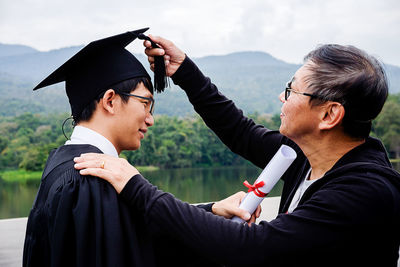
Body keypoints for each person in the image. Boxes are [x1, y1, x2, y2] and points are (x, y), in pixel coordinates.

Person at [74, 35, 400, 267]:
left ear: (329, 115)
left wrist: (136, 186)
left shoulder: (364, 192)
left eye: (291, 90)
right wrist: (184, 70)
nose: (281, 98)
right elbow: (239, 131)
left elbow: (251, 249)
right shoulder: (305, 157)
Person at [23, 28, 200, 267]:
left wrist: (213, 211)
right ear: (110, 101)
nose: (150, 119)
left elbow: (145, 234)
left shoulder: (62, 164)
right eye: (146, 103)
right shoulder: (91, 179)